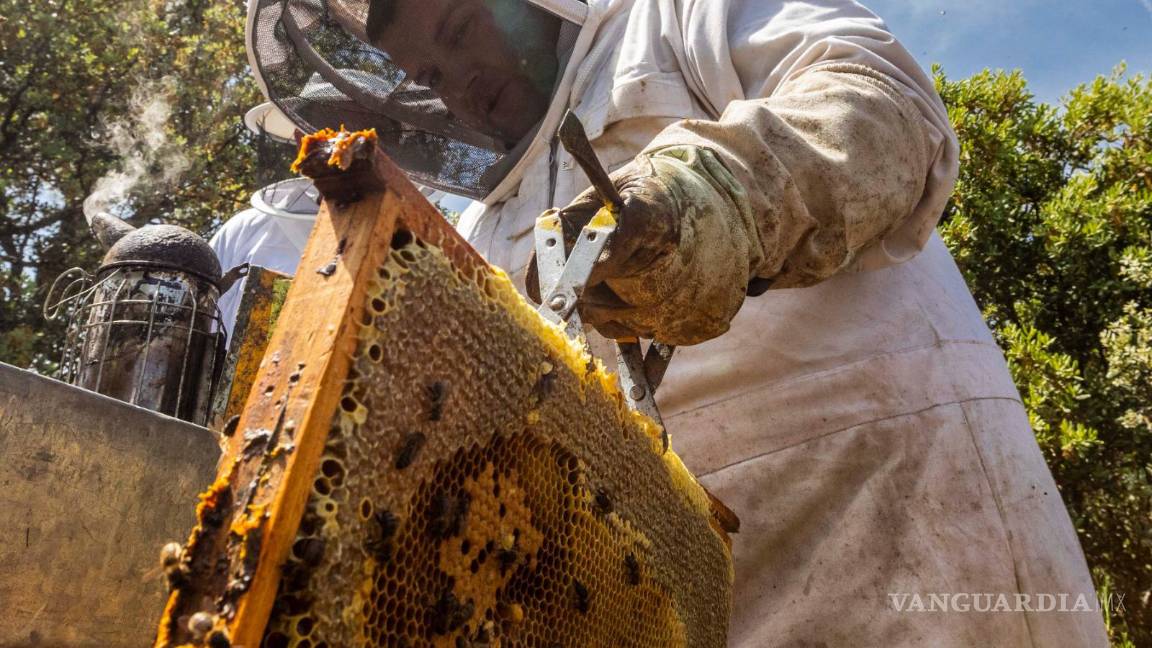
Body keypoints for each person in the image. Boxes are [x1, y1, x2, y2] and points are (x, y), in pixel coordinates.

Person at [245, 0, 1109, 644]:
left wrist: (723, 195)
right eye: (431, 74)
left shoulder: (682, 16)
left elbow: (880, 102)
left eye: (464, 28)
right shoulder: (481, 224)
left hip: (901, 530)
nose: (458, 78)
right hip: (655, 600)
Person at [209, 103, 322, 337]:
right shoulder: (242, 230)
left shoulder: (400, 237)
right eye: (321, 127)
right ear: (300, 139)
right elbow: (195, 326)